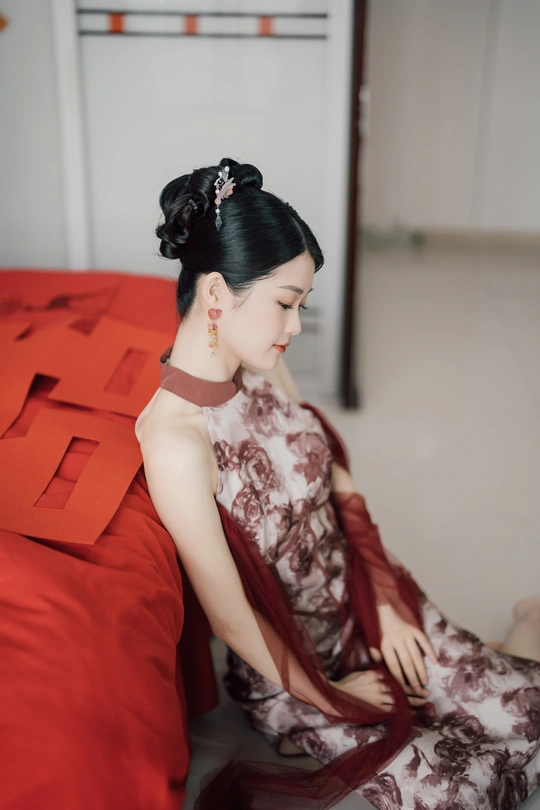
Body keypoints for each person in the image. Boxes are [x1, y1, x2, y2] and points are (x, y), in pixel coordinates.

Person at [136, 157, 540, 810]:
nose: (296, 327)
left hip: (365, 601)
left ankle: (521, 625)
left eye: (301, 305)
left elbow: (336, 478)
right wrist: (335, 696)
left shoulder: (260, 363)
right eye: (285, 303)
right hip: (301, 668)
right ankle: (494, 649)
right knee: (458, 793)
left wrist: (387, 600)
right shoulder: (175, 441)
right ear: (216, 294)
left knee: (529, 713)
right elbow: (233, 619)